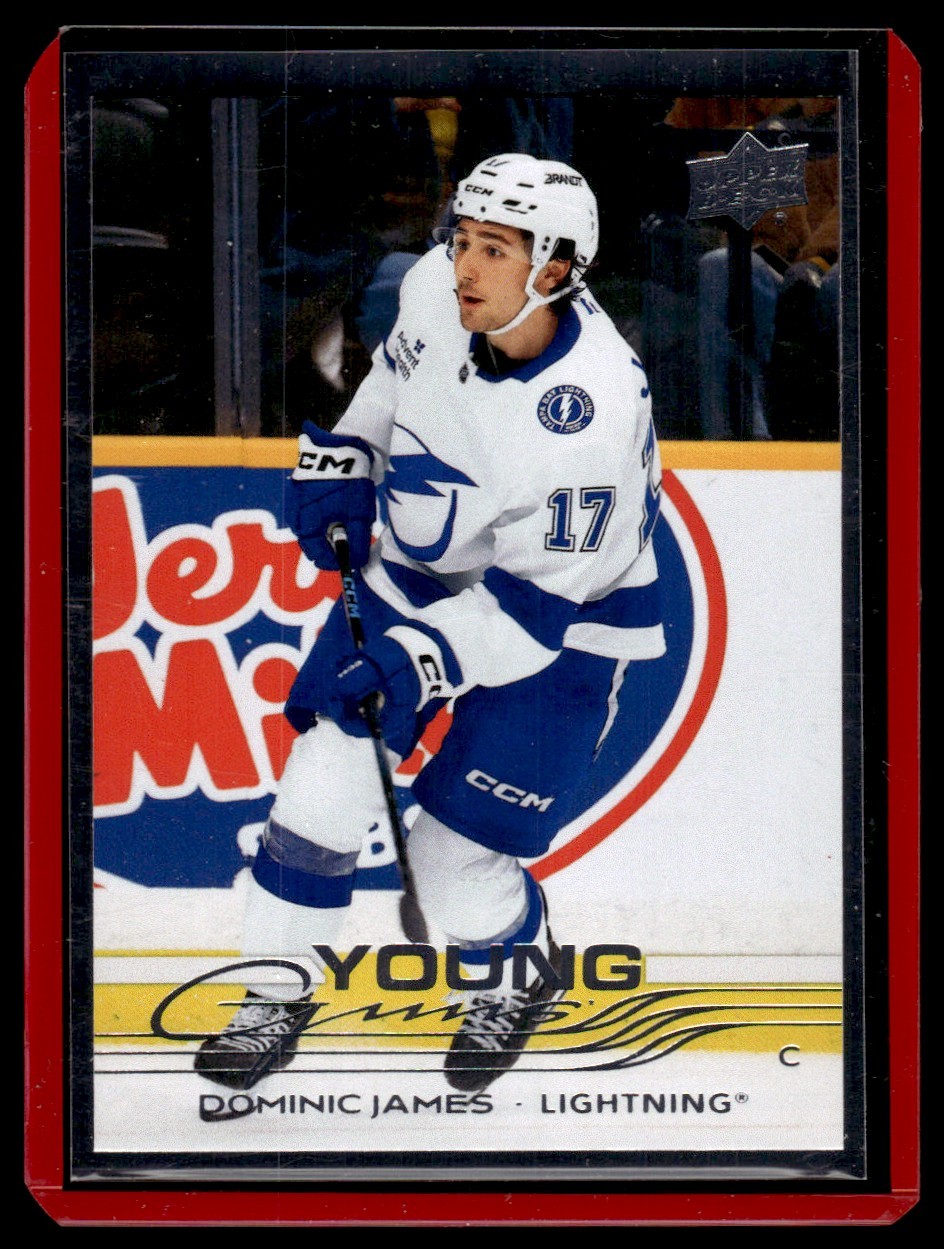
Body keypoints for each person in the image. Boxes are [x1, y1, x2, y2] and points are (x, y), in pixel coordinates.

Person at [195, 153, 666, 1093]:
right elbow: (391, 383)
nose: (464, 266)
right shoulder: (432, 288)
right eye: (462, 239)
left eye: (494, 249)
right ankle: (273, 995)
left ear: (556, 267)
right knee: (322, 787)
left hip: (567, 625)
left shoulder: (591, 411)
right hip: (419, 570)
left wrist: (415, 661)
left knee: (450, 865)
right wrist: (349, 461)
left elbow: (530, 614)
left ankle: (520, 973)